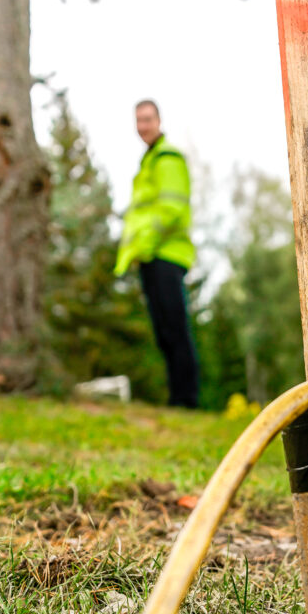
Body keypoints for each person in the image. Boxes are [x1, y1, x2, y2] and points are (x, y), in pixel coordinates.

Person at [114, 100, 199, 408]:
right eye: (138, 120)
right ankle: (177, 397)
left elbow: (172, 209)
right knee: (164, 332)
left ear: (159, 121)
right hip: (151, 256)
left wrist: (146, 245)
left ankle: (186, 399)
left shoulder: (167, 158)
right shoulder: (148, 161)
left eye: (147, 119)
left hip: (166, 255)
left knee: (175, 329)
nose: (143, 126)